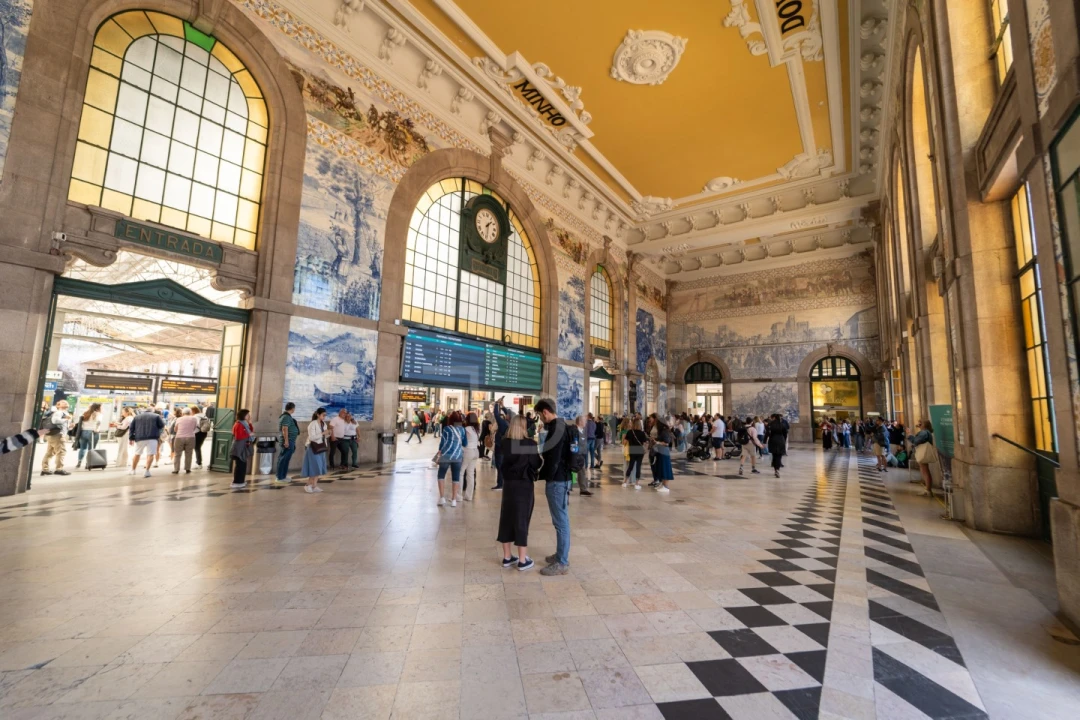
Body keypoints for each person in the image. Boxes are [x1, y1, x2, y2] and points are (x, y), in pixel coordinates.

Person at [495, 414, 542, 571]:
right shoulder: (529, 444)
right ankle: (523, 560)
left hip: (508, 485)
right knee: (522, 519)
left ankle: (507, 557)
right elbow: (536, 464)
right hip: (524, 486)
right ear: (523, 426)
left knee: (506, 518)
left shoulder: (505, 443)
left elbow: (500, 463)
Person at [536, 398, 573, 575]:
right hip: (561, 479)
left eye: (540, 415)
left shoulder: (556, 429)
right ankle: (560, 555)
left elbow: (554, 459)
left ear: (545, 412)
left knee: (561, 522)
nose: (540, 419)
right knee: (560, 520)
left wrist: (545, 476)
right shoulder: (561, 426)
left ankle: (562, 562)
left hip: (558, 481)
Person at [435, 411, 466, 507]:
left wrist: (439, 451)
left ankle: (442, 498)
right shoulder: (462, 430)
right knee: (456, 477)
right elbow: (465, 444)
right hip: (457, 456)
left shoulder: (446, 429)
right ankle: (453, 500)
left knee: (441, 475)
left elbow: (442, 442)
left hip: (446, 455)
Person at [129, 407, 165, 478]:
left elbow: (131, 427)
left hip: (140, 437)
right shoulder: (156, 416)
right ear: (152, 411)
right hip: (152, 437)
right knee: (150, 454)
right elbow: (162, 425)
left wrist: (131, 438)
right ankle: (147, 471)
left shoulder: (137, 417)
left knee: (137, 454)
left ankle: (133, 470)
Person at [40, 399, 72, 476]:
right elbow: (55, 421)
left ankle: (45, 469)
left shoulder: (64, 413)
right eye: (62, 402)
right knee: (61, 452)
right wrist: (66, 419)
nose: (65, 403)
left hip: (52, 435)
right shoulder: (59, 412)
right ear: (58, 406)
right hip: (58, 435)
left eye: (66, 402)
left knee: (50, 452)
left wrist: (70, 426)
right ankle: (59, 469)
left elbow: (63, 425)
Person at [301, 408, 329, 492]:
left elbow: (323, 437)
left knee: (319, 467)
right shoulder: (312, 424)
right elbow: (312, 437)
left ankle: (314, 485)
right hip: (313, 447)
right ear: (318, 414)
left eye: (325, 415)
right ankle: (308, 484)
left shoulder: (324, 424)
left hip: (321, 447)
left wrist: (328, 434)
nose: (324, 417)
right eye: (323, 415)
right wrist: (323, 433)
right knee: (314, 466)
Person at [909, 420, 938, 497]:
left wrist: (909, 435)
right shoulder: (925, 432)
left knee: (925, 471)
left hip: (923, 452)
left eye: (920, 423)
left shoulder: (924, 432)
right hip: (923, 451)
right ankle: (927, 489)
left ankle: (928, 490)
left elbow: (916, 441)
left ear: (924, 425)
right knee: (925, 470)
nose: (919, 425)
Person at [276, 402, 300, 485]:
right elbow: (284, 429)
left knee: (286, 459)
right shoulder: (286, 417)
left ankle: (283, 476)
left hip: (290, 441)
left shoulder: (287, 416)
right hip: (288, 441)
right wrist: (286, 441)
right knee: (283, 459)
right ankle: (280, 477)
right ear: (292, 408)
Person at [230, 409, 254, 489]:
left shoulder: (245, 424)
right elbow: (238, 436)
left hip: (243, 446)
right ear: (243, 415)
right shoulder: (239, 424)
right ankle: (237, 482)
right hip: (239, 447)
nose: (249, 416)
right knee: (240, 465)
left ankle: (241, 481)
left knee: (242, 464)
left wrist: (250, 423)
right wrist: (248, 434)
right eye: (247, 415)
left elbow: (250, 430)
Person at [622, 418, 648, 490]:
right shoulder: (642, 433)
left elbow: (624, 442)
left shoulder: (630, 432)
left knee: (630, 466)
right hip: (640, 451)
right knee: (638, 467)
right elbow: (645, 443)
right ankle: (637, 484)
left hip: (632, 450)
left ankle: (625, 482)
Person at [171, 408, 199, 474]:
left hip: (179, 437)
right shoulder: (194, 419)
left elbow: (175, 429)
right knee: (189, 453)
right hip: (191, 437)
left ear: (183, 413)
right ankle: (187, 469)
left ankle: (176, 469)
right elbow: (194, 428)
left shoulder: (179, 419)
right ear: (190, 413)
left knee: (177, 454)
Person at [75, 403, 102, 469]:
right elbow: (98, 422)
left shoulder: (85, 413)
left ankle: (79, 462)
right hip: (92, 432)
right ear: (98, 408)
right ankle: (88, 463)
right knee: (91, 449)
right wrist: (97, 429)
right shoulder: (98, 414)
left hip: (83, 432)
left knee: (82, 448)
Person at [491, 399, 510, 490]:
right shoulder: (509, 422)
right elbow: (507, 414)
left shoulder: (502, 423)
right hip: (506, 446)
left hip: (500, 446)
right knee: (502, 465)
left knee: (499, 466)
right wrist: (502, 406)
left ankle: (500, 484)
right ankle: (502, 483)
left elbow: (496, 414)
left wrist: (497, 404)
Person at [651, 420, 674, 492]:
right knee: (661, 468)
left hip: (664, 452)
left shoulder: (665, 432)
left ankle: (666, 486)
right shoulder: (662, 432)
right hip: (660, 452)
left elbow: (666, 443)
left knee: (665, 468)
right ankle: (663, 484)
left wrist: (657, 442)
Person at [462, 412, 480, 501]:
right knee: (470, 474)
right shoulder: (476, 429)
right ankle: (468, 496)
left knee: (461, 473)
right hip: (475, 451)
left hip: (468, 451)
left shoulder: (466, 429)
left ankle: (458, 495)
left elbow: (463, 442)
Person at [574, 415, 593, 496]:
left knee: (582, 472)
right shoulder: (575, 430)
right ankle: (568, 489)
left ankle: (583, 489)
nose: (586, 422)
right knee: (575, 471)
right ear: (580, 422)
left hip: (582, 454)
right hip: (576, 455)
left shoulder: (583, 430)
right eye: (584, 421)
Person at [766, 414, 787, 478]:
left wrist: (764, 442)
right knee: (779, 456)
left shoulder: (770, 425)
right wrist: (784, 440)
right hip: (781, 440)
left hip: (773, 440)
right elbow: (785, 434)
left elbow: (767, 433)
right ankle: (777, 469)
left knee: (774, 455)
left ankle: (775, 469)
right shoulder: (782, 425)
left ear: (774, 418)